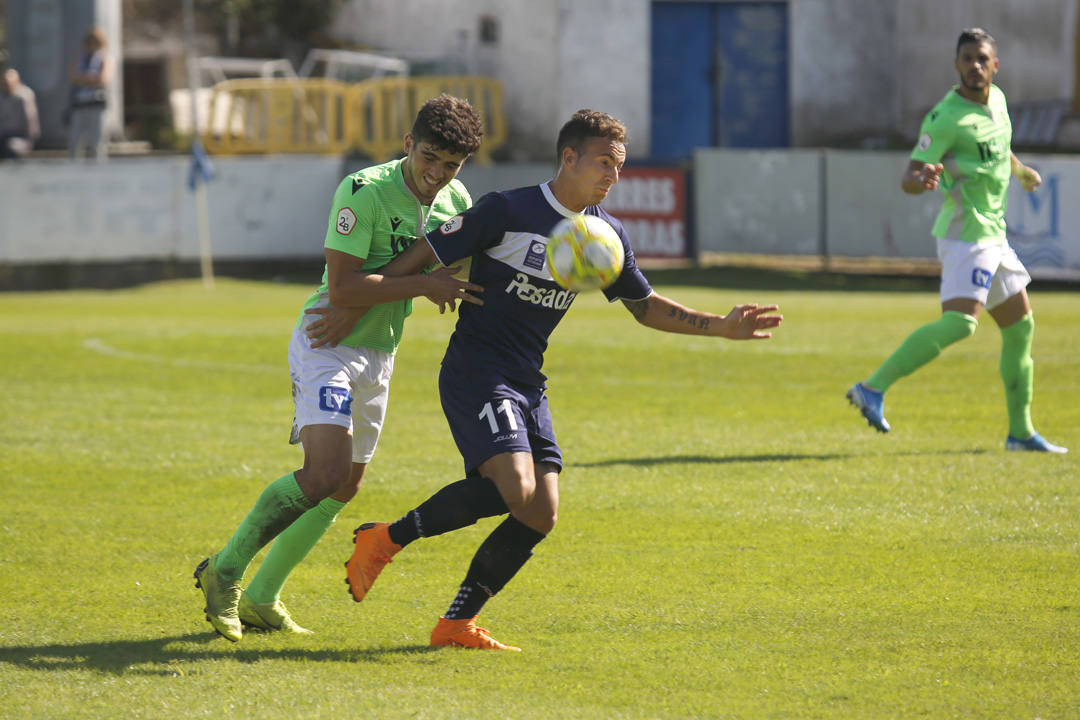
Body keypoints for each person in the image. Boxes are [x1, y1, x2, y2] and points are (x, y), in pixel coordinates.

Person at [322, 109, 783, 651]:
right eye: (604, 164)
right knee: (515, 489)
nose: (613, 176)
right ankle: (384, 539)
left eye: (620, 167)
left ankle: (456, 624)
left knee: (541, 512)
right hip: (477, 369)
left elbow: (645, 307)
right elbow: (418, 259)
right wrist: (355, 303)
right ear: (569, 158)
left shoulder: (605, 236)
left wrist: (720, 328)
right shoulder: (506, 210)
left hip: (525, 380)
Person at [194, 94, 486, 642]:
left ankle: (263, 596)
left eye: (452, 164)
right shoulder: (364, 190)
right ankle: (224, 572)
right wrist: (426, 283)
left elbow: (460, 264)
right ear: (408, 145)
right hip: (327, 341)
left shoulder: (457, 199)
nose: (438, 174)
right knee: (324, 473)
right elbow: (345, 286)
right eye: (430, 157)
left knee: (344, 486)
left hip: (381, 351)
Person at [846, 28, 1066, 454]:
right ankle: (872, 388)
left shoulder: (999, 101)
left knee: (1021, 327)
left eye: (982, 58)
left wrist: (1020, 173)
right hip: (966, 235)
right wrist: (921, 178)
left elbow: (1001, 149)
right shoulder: (945, 117)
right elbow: (910, 175)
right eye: (966, 58)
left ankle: (1020, 433)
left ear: (995, 64)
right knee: (962, 323)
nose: (974, 66)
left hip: (994, 235)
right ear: (956, 64)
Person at [68, 27, 112, 160]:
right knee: (75, 141)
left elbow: (103, 79)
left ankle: (99, 171)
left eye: (95, 43)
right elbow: (72, 76)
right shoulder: (80, 59)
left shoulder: (105, 59)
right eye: (89, 43)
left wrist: (84, 78)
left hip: (96, 105)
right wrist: (88, 78)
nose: (91, 46)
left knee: (97, 142)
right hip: (80, 105)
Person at [0, 68, 40, 160]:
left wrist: (31, 140)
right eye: (4, 83)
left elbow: (31, 121)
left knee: (10, 147)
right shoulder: (1, 96)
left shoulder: (24, 97)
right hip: (3, 136)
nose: (6, 86)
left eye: (8, 83)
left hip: (21, 137)